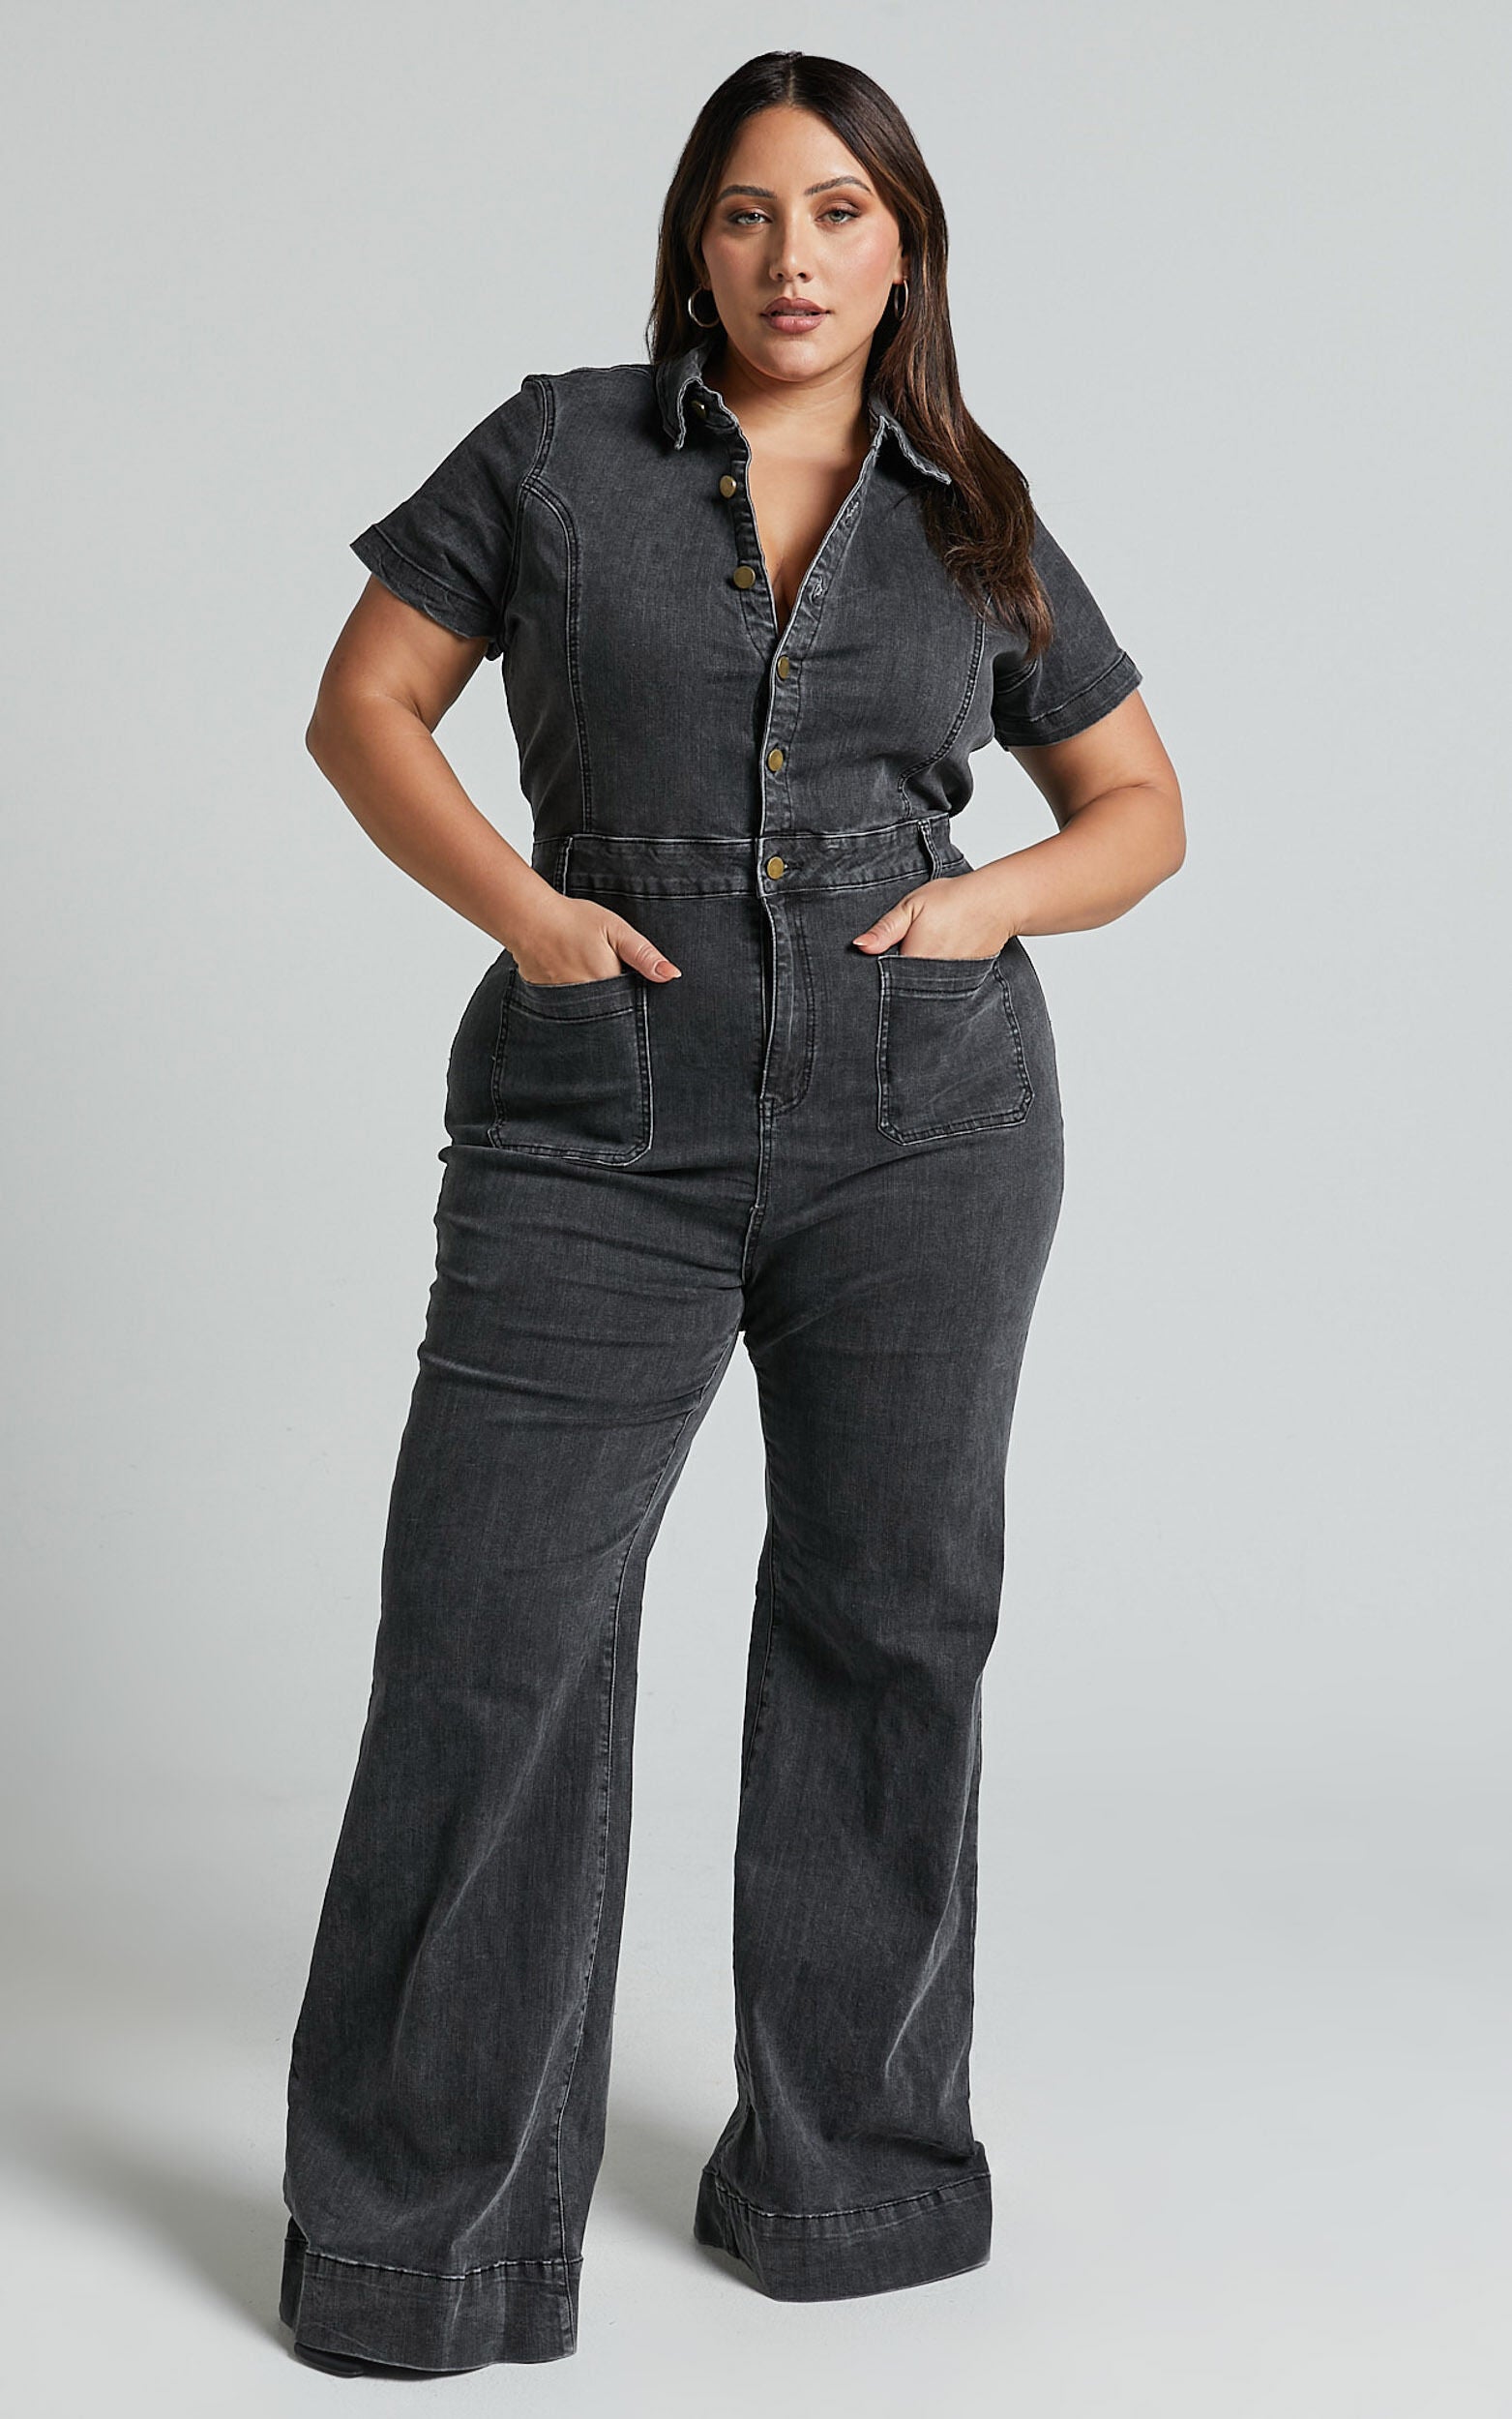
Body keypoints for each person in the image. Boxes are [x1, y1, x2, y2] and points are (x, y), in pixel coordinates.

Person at [279, 46, 1185, 2378]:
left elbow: (1137, 806)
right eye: (750, 211)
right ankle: (419, 2246)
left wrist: (983, 904)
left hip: (928, 1118)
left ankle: (850, 2177)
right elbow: (366, 705)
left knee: (890, 1620)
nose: (794, 256)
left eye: (840, 213)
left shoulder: (973, 504)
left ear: (903, 248)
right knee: (489, 1631)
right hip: (595, 1107)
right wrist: (525, 912)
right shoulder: (554, 451)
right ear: (696, 241)